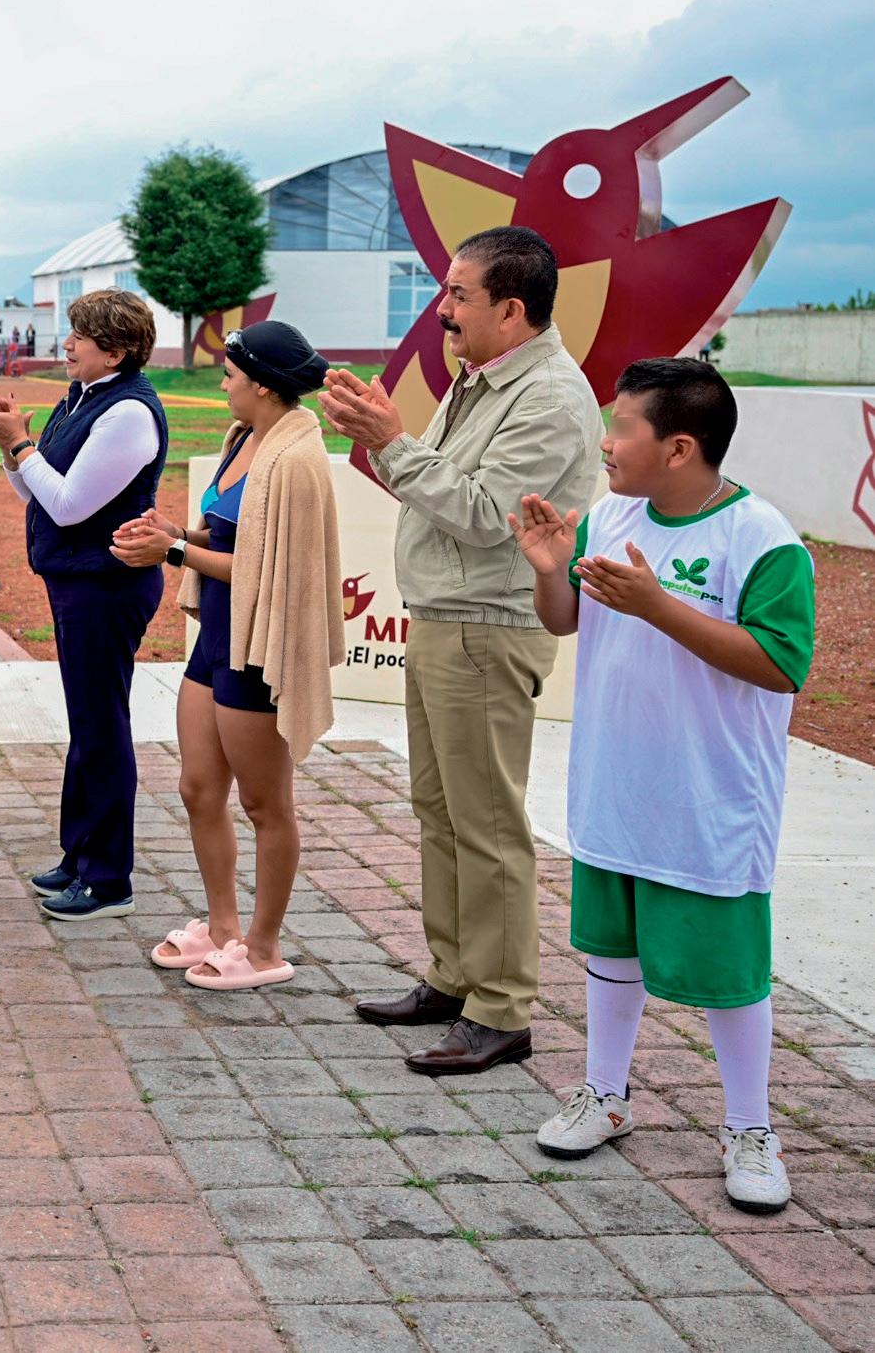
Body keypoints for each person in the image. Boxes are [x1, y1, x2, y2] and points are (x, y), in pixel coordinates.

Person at [516, 359, 813, 1211]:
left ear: (680, 447)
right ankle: (604, 1095)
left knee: (729, 971)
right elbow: (565, 620)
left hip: (710, 801)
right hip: (616, 785)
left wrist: (659, 606)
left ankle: (750, 1129)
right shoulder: (608, 515)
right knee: (611, 950)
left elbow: (782, 664)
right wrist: (549, 568)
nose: (605, 444)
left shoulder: (763, 538)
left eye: (622, 428)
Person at [322, 226, 597, 1074]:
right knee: (441, 810)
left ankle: (502, 1007)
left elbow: (483, 516)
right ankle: (455, 977)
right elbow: (444, 492)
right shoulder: (484, 379)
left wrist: (390, 440)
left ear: (511, 311)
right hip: (447, 618)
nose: (442, 311)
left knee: (487, 824)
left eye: (457, 295)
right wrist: (387, 438)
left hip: (486, 627)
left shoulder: (549, 399)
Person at [111, 323, 343, 990]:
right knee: (198, 788)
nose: (222, 384)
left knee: (267, 804)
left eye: (231, 374)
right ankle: (220, 928)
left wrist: (173, 552)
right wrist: (178, 532)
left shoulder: (296, 458)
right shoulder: (243, 438)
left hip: (258, 646)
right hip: (217, 637)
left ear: (263, 385)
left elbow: (267, 571)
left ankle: (264, 949)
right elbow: (227, 533)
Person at [0, 289, 169, 923]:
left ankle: (107, 881)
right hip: (79, 581)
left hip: (106, 585)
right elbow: (34, 491)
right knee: (88, 722)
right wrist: (12, 445)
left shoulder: (127, 412)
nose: (68, 344)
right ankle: (80, 855)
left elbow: (70, 506)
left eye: (80, 335)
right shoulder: (81, 398)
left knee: (101, 726)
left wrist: (22, 444)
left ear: (117, 351)